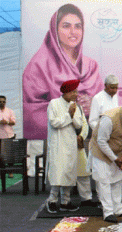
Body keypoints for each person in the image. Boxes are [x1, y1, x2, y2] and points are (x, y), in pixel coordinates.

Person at [23, 3, 103, 140]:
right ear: (55, 30)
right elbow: (32, 113)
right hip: (59, 137)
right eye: (66, 26)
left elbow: (103, 103)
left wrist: (92, 105)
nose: (73, 32)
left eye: (78, 26)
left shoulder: (91, 66)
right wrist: (71, 109)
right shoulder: (38, 66)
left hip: (86, 136)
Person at [89, 97, 122, 223]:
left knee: (117, 179)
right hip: (100, 152)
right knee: (104, 181)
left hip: (118, 153)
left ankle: (118, 210)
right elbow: (101, 141)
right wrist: (115, 159)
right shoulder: (109, 118)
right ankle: (107, 212)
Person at [45, 79, 84, 214]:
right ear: (66, 92)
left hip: (70, 144)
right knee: (58, 173)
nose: (76, 94)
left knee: (68, 172)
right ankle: (52, 200)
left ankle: (65, 202)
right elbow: (54, 123)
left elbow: (79, 125)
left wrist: (72, 116)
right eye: (74, 91)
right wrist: (69, 115)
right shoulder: (54, 103)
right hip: (58, 144)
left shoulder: (74, 105)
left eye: (76, 91)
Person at [0, 96, 16, 178]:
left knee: (10, 155)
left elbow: (13, 122)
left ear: (5, 102)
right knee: (0, 156)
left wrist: (6, 122)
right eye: (0, 101)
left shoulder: (10, 111)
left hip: (9, 135)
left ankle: (10, 172)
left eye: (3, 101)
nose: (2, 103)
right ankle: (1, 172)